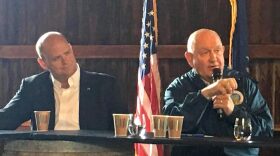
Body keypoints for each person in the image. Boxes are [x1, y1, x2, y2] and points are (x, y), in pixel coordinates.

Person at [163, 28, 273, 156]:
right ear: (189, 58)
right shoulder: (178, 87)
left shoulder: (244, 84)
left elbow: (266, 131)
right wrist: (205, 94)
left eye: (217, 51)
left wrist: (234, 112)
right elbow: (169, 128)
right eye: (205, 52)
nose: (213, 58)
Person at [0, 31, 127, 130]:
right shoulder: (33, 87)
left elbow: (122, 132)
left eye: (67, 53)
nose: (65, 61)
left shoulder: (104, 85)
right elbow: (6, 120)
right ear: (43, 63)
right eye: (56, 58)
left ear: (71, 49)